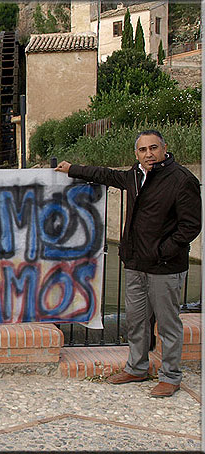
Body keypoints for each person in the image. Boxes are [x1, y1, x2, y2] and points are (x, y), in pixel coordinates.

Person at [55, 129, 201, 398]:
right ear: (137, 154)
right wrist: (72, 168)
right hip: (135, 263)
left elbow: (191, 225)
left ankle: (170, 376)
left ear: (164, 149)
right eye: (143, 150)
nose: (149, 154)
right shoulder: (135, 175)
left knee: (168, 324)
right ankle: (136, 367)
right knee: (136, 321)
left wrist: (163, 251)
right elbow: (107, 175)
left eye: (154, 148)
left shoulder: (181, 179)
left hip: (165, 266)